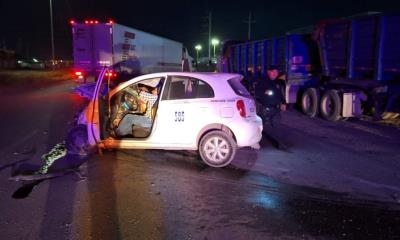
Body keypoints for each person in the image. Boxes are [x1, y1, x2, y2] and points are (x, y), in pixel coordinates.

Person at [256, 65, 288, 150]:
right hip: (265, 109)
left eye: (276, 72)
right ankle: (255, 142)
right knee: (259, 126)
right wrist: (264, 92)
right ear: (268, 72)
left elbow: (280, 94)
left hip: (276, 109)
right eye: (273, 72)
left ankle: (280, 144)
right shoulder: (263, 81)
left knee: (277, 126)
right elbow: (257, 94)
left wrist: (283, 103)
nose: (274, 74)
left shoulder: (278, 82)